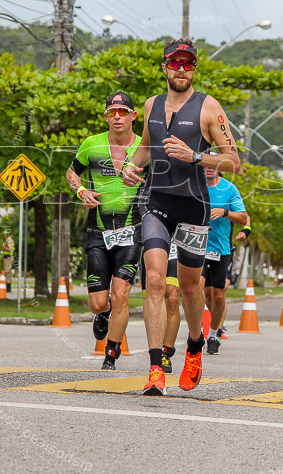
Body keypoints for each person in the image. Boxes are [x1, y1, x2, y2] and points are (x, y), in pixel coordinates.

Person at [121, 39, 240, 395]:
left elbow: (234, 161)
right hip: (155, 201)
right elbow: (145, 146)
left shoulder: (209, 107)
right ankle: (156, 368)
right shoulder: (151, 105)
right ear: (165, 68)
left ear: (195, 69)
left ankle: (194, 346)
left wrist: (196, 156)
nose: (182, 70)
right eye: (176, 64)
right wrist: (130, 165)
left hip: (193, 207)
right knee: (155, 281)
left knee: (190, 288)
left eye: (189, 64)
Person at [65, 91, 143, 371]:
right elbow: (71, 173)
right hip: (98, 232)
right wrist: (81, 190)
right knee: (99, 302)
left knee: (121, 293)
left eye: (123, 112)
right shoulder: (91, 144)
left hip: (132, 231)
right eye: (112, 112)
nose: (117, 117)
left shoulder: (145, 147)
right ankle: (104, 313)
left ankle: (111, 352)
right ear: (106, 116)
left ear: (134, 115)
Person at [202, 167, 248, 355]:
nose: (208, 168)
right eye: (204, 164)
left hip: (221, 250)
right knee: (203, 292)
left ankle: (214, 333)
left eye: (212, 164)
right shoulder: (194, 186)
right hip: (197, 247)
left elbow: (244, 217)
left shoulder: (229, 189)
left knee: (218, 295)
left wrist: (225, 212)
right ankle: (199, 331)